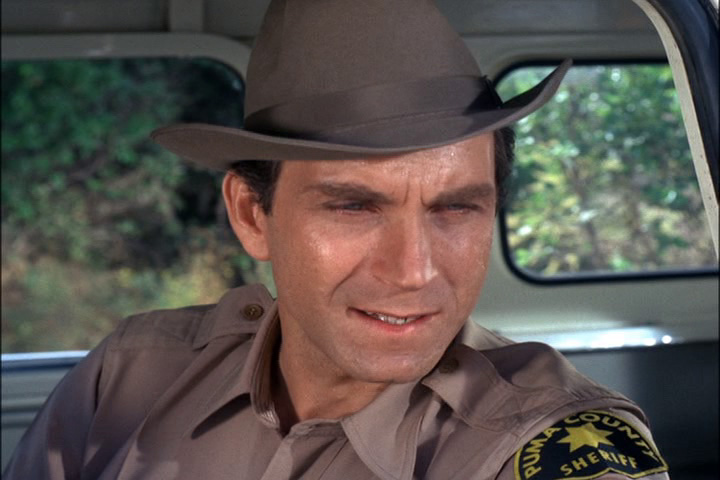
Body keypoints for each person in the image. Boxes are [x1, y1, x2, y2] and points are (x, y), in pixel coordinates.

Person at [4, 0, 670, 479]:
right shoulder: (130, 375)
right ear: (252, 215)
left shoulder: (553, 442)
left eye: (455, 208)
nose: (414, 271)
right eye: (354, 207)